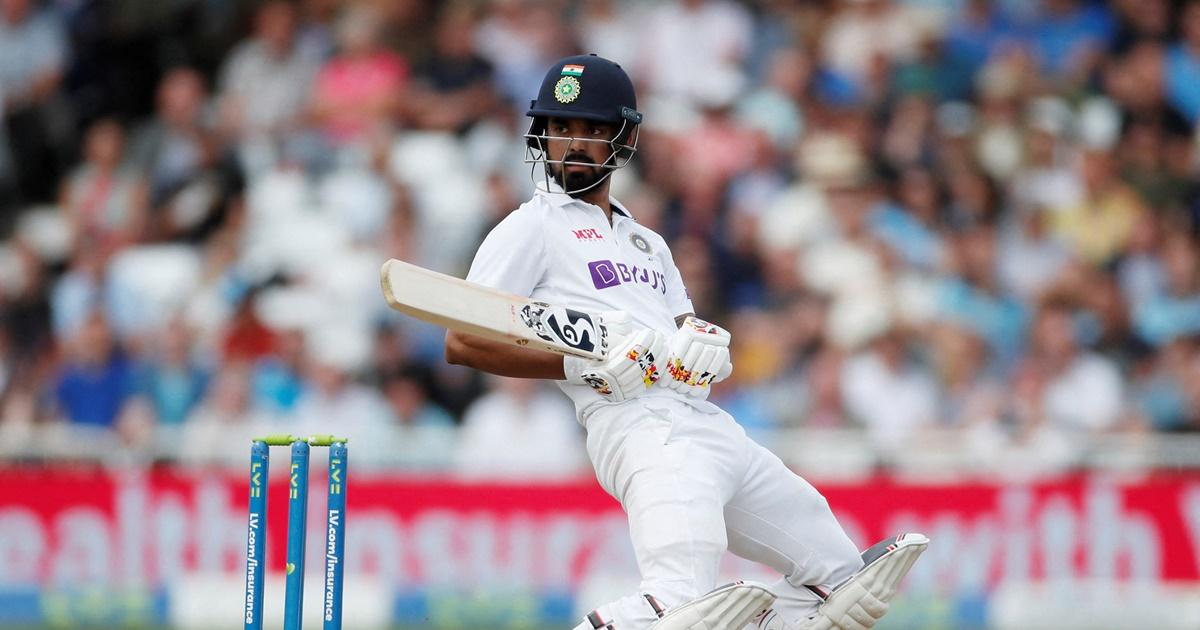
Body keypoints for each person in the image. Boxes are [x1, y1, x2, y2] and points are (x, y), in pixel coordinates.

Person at [443, 54, 927, 630]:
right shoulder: (531, 226)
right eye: (559, 127)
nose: (571, 144)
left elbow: (682, 336)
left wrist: (705, 350)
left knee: (841, 581)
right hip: (637, 427)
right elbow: (462, 340)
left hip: (708, 425)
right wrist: (579, 367)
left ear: (625, 139)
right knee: (679, 604)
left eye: (591, 129)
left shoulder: (650, 243)